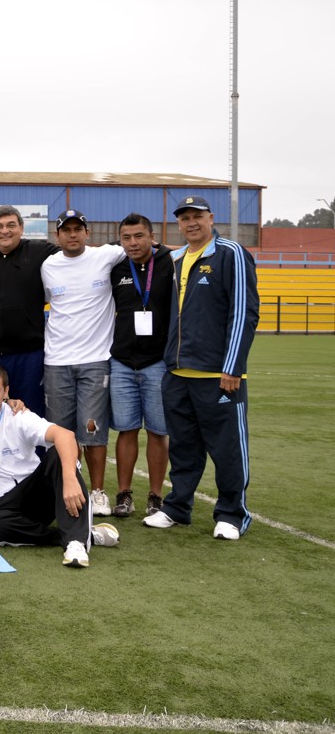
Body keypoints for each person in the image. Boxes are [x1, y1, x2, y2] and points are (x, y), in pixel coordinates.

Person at [144, 196, 259, 540]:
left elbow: (245, 312)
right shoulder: (177, 259)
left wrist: (233, 367)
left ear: (210, 218)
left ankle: (232, 514)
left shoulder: (230, 253)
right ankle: (178, 507)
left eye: (197, 216)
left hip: (218, 375)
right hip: (178, 374)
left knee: (227, 448)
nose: (191, 223)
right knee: (183, 446)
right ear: (178, 223)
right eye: (185, 218)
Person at [0, 363, 119, 568]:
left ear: (6, 392)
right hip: (1, 505)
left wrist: (69, 478)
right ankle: (74, 535)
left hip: (36, 494)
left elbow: (65, 435)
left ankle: (76, 542)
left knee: (57, 454)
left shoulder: (18, 416)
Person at [40, 209, 126, 516]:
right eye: (67, 230)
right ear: (57, 235)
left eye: (78, 229)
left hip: (95, 360)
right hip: (57, 362)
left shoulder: (107, 256)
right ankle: (66, 488)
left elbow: (143, 248)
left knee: (93, 431)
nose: (73, 234)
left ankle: (98, 492)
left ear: (87, 233)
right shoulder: (48, 265)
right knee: (60, 431)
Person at [0, 204, 59, 418]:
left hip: (28, 356)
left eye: (11, 225)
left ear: (21, 228)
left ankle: (35, 453)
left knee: (29, 414)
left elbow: (77, 255)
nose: (5, 231)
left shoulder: (40, 252)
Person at [110, 213, 173, 517]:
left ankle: (156, 496)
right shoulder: (116, 267)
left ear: (152, 236)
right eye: (126, 237)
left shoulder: (170, 262)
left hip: (158, 362)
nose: (133, 243)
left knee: (159, 431)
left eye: (139, 236)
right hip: (121, 361)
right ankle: (123, 494)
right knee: (126, 429)